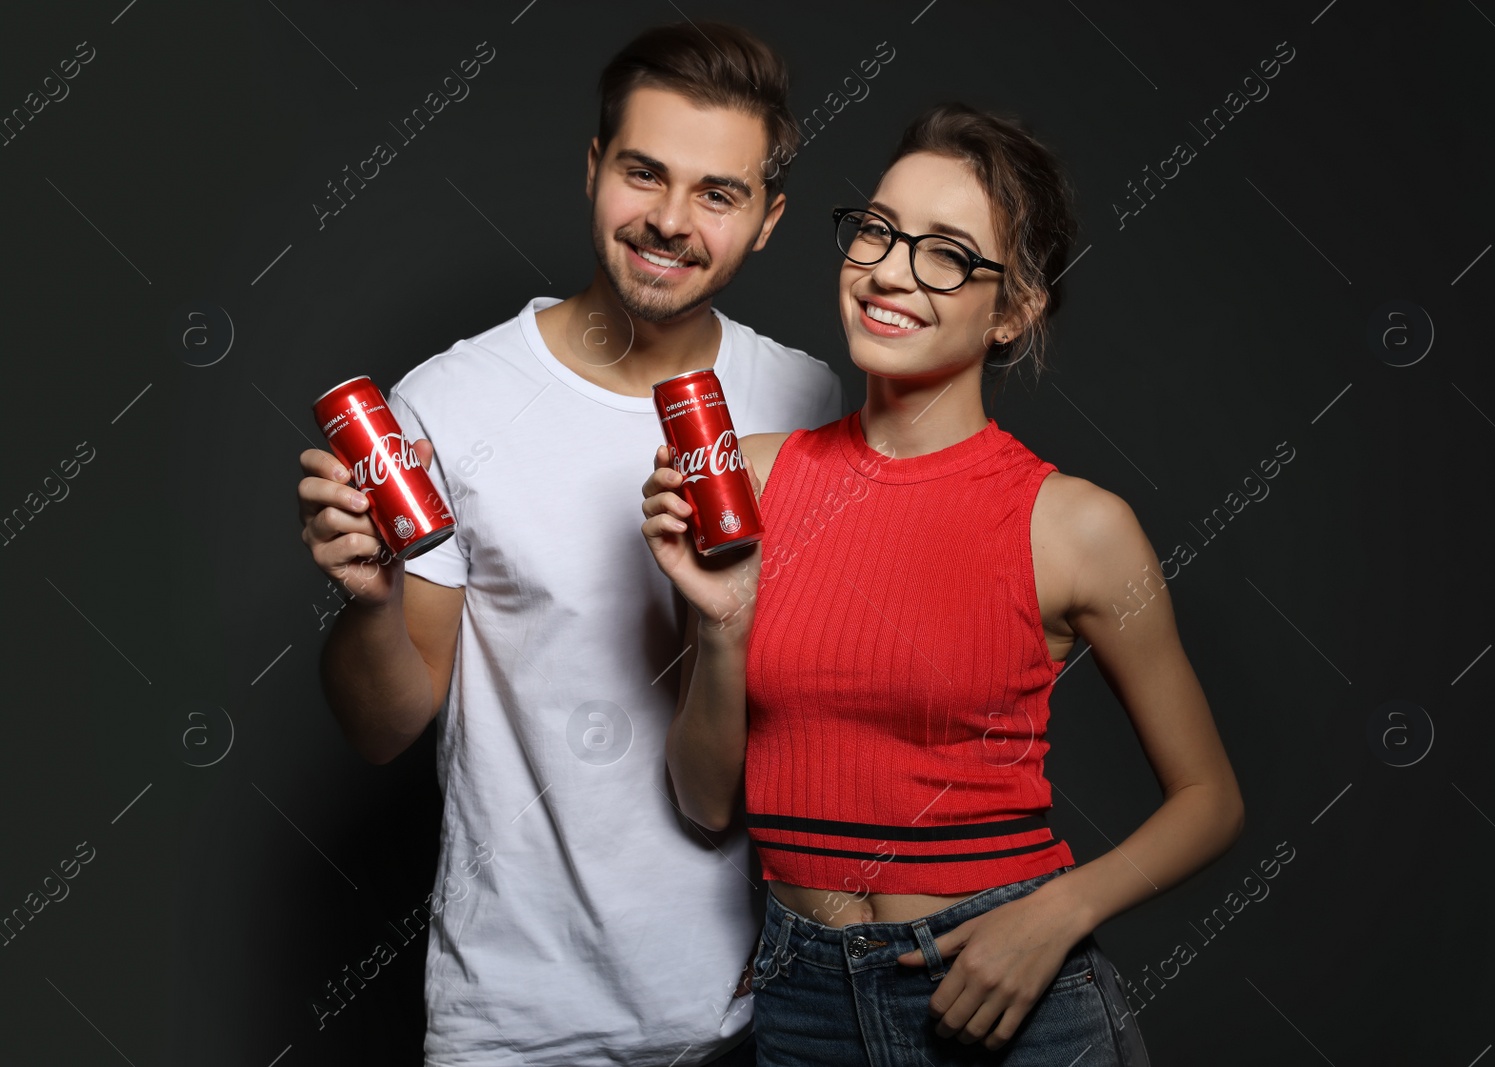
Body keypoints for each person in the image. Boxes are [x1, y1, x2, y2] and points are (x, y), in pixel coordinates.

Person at [640, 102, 1245, 1065]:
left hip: (1003, 989)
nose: (889, 271)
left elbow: (1210, 796)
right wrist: (722, 625)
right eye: (878, 231)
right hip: (799, 998)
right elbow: (706, 801)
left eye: (948, 253)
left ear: (1013, 310)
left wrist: (1057, 915)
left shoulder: (1076, 527)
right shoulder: (743, 478)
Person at [296, 22, 841, 1066]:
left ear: (766, 221)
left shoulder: (809, 402)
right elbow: (381, 728)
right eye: (644, 173)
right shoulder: (450, 401)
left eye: (718, 194)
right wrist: (367, 602)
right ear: (594, 168)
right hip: (518, 1024)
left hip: (759, 1019)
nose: (670, 222)